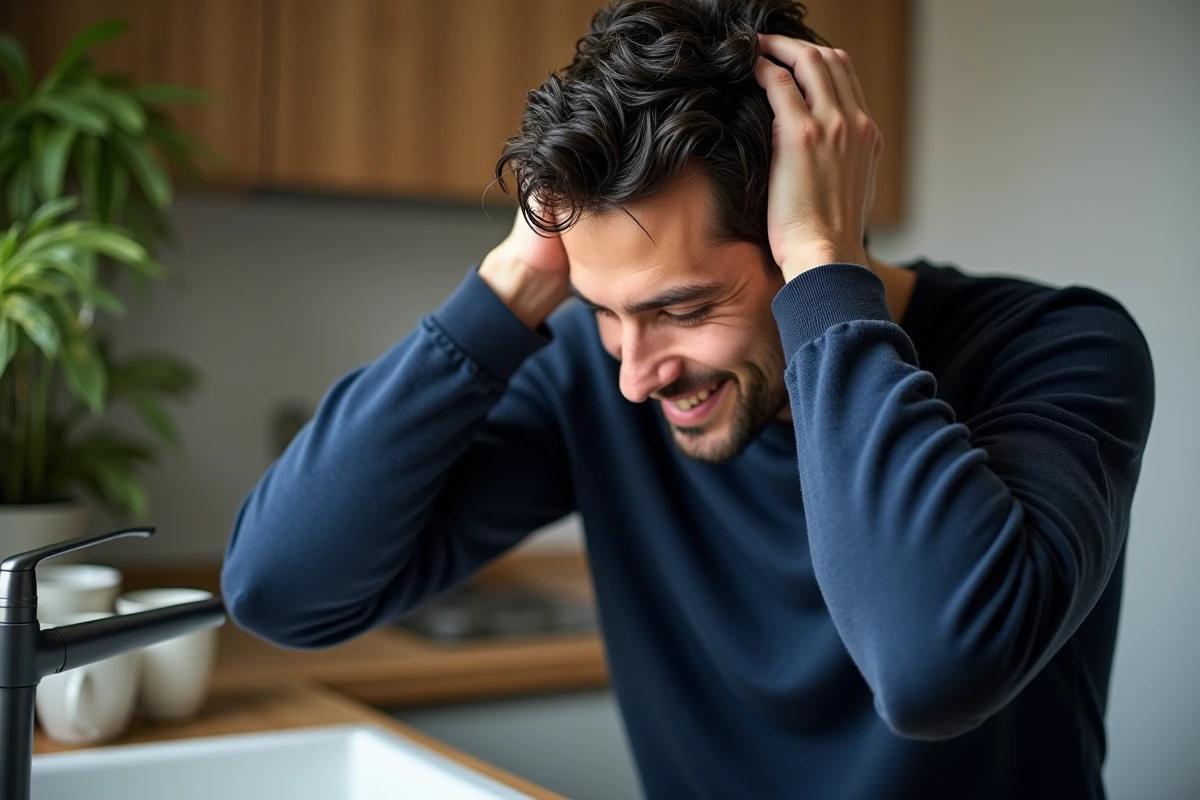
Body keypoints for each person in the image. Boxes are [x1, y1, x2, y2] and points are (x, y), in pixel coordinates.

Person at [220, 1, 1155, 797]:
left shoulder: (1060, 349)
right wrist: (511, 283)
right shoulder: (600, 378)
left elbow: (932, 671)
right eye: (603, 313)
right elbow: (281, 590)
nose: (636, 372)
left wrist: (827, 271)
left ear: (801, 231)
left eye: (683, 308)